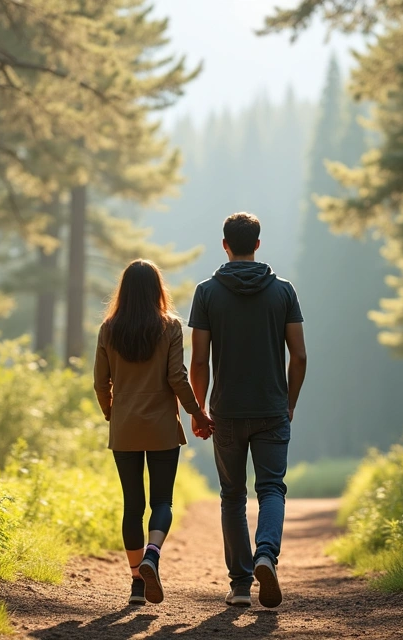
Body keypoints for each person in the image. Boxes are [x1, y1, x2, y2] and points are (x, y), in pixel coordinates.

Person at [188, 212, 308, 608]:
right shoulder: (283, 291)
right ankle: (266, 556)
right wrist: (289, 402)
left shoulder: (206, 292)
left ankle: (240, 585)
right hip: (272, 409)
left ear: (225, 245)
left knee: (232, 495)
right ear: (257, 244)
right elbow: (299, 355)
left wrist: (199, 408)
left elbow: (199, 360)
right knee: (271, 488)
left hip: (225, 411)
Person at [93, 259, 215, 606]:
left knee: (132, 505)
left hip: (125, 427)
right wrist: (197, 414)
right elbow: (177, 377)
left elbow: (100, 382)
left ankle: (136, 584)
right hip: (161, 426)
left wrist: (112, 413)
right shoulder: (170, 326)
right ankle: (152, 555)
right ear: (156, 290)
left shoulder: (108, 329)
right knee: (162, 501)